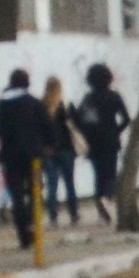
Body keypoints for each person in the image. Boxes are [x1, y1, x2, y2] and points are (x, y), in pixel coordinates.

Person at [0, 69, 55, 250]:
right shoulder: (34, 103)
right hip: (33, 156)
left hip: (10, 156)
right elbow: (48, 127)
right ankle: (33, 225)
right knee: (35, 191)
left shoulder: (2, 105)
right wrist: (50, 145)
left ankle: (23, 235)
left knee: (17, 195)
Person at [72, 64, 134, 221]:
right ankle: (107, 197)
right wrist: (116, 131)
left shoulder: (88, 98)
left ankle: (100, 204)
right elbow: (126, 119)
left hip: (93, 142)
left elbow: (79, 121)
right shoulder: (114, 96)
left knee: (98, 174)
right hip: (111, 141)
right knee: (110, 173)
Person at [38, 73, 82, 223]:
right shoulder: (66, 105)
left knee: (52, 183)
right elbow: (77, 124)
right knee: (70, 182)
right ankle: (74, 213)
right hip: (66, 148)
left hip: (48, 150)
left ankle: (53, 215)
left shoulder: (41, 106)